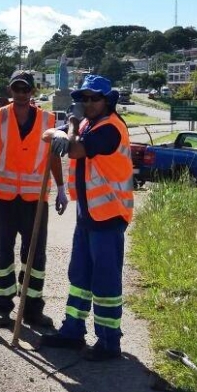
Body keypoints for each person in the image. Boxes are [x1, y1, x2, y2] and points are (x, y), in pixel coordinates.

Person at [39, 74, 134, 361]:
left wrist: (68, 123)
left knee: (105, 282)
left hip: (109, 215)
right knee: (79, 276)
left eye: (95, 98)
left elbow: (75, 149)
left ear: (108, 101)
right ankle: (72, 332)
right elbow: (54, 138)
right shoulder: (86, 125)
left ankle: (108, 342)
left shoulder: (110, 129)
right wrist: (59, 132)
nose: (89, 103)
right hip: (88, 214)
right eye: (84, 99)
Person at [0, 71, 68, 329]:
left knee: (35, 257)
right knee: (2, 254)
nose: (20, 94)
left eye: (25, 89)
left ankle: (31, 309)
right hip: (3, 198)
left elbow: (53, 156)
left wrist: (61, 187)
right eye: (16, 89)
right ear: (10, 90)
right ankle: (2, 306)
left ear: (32, 92)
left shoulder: (47, 120)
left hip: (34, 199)